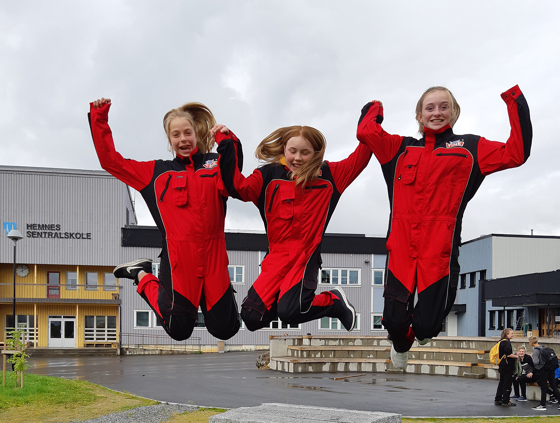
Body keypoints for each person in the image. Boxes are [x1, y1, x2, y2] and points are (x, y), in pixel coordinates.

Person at [357, 86, 532, 370]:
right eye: (430, 107)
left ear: (454, 111)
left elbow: (517, 152)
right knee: (393, 320)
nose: (436, 112)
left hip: (440, 246)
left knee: (426, 325)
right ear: (419, 114)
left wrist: (515, 100)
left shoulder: (470, 148)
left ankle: (422, 333)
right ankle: (401, 344)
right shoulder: (400, 148)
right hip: (401, 243)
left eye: (443, 106)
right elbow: (366, 132)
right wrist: (375, 108)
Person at [89, 98, 240, 342]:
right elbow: (110, 161)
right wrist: (99, 118)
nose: (183, 139)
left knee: (226, 329)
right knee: (178, 330)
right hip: (179, 259)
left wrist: (228, 138)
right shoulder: (155, 173)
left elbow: (233, 176)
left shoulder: (214, 164)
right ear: (169, 140)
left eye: (187, 132)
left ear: (195, 132)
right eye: (176, 134)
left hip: (214, 254)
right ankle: (142, 274)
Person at [214, 114, 376, 331]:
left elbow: (361, 157)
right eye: (293, 151)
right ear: (284, 150)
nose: (297, 158)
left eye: (305, 152)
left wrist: (370, 119)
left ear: (316, 154)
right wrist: (227, 144)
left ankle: (333, 302)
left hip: (305, 257)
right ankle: (286, 300)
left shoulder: (330, 176)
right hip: (276, 258)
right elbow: (235, 187)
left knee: (290, 312)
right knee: (252, 317)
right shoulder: (268, 176)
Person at [529, 336, 560, 411]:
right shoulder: (543, 348)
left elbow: (536, 362)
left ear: (531, 343)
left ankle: (542, 405)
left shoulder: (536, 351)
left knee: (543, 387)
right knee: (553, 385)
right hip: (551, 369)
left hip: (543, 370)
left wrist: (532, 358)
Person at [494, 328, 518, 407]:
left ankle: (498, 399)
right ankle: (506, 400)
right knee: (507, 383)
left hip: (502, 365)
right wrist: (516, 356)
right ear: (506, 335)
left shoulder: (500, 341)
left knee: (502, 382)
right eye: (511, 333)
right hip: (507, 366)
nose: (513, 335)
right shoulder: (506, 343)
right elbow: (508, 354)